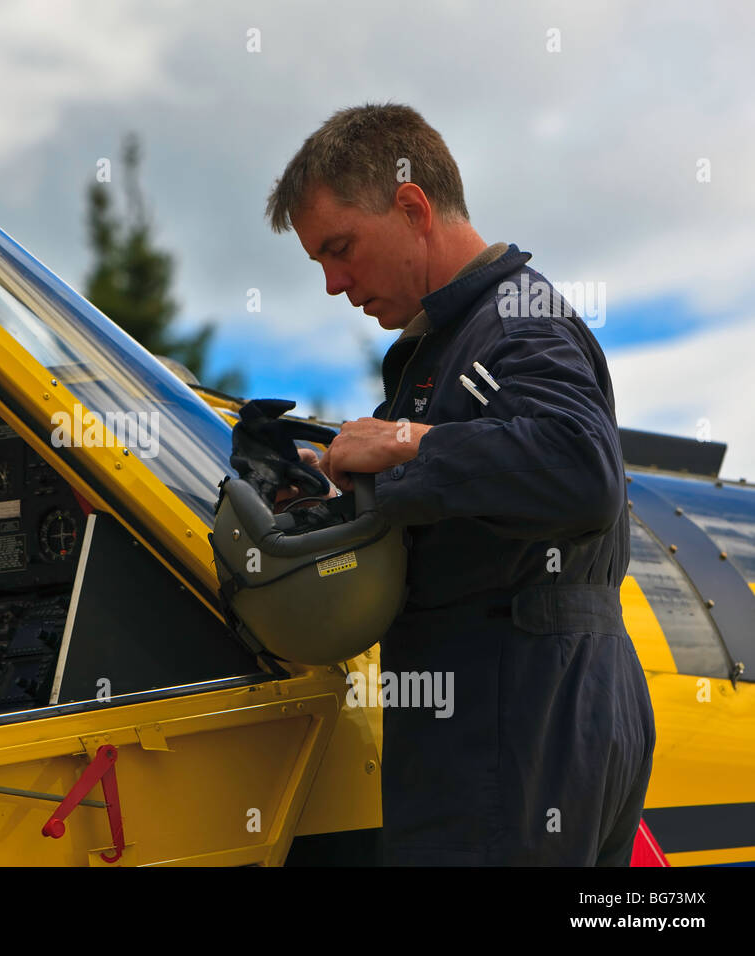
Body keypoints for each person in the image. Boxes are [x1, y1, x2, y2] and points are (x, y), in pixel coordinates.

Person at [264, 103, 655, 865]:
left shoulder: (515, 321)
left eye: (340, 250)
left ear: (412, 206)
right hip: (537, 706)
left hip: (511, 712)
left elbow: (582, 468)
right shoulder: (445, 345)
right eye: (318, 263)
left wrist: (407, 443)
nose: (334, 284)